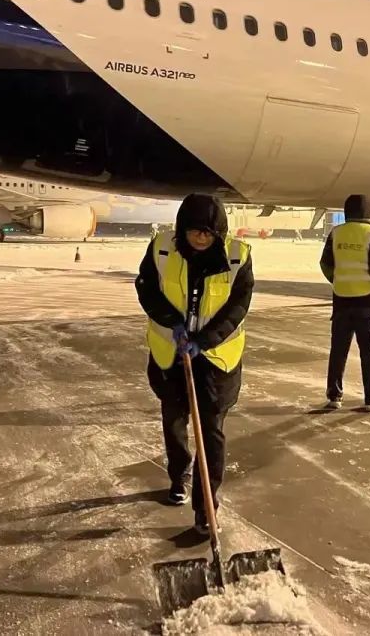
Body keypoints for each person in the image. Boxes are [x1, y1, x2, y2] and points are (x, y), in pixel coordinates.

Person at [135, 193, 254, 534]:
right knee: (174, 420)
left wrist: (205, 340)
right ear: (182, 228)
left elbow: (237, 306)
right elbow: (147, 288)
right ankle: (179, 476)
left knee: (210, 430)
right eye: (195, 231)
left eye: (209, 232)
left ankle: (206, 507)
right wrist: (172, 323)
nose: (202, 238)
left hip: (216, 358)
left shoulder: (237, 256)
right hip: (171, 354)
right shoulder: (161, 249)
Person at [319, 195, 370, 411]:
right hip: (367, 302)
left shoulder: (336, 233)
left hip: (341, 301)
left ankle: (334, 397)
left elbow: (325, 264)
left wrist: (339, 280)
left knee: (338, 351)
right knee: (368, 351)